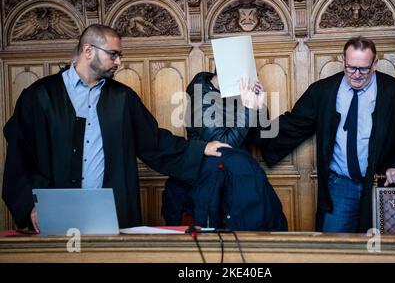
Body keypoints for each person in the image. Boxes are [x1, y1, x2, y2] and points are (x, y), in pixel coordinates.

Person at [2, 24, 229, 232]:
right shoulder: (40, 96)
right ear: (88, 50)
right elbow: (19, 157)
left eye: (119, 55)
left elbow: (153, 142)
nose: (119, 62)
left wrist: (200, 149)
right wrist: (29, 208)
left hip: (110, 214)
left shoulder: (123, 98)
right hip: (58, 212)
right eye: (113, 54)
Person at [255, 36, 395, 233]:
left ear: (375, 64)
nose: (356, 75)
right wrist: (256, 111)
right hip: (341, 187)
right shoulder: (323, 91)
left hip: (382, 186)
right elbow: (292, 125)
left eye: (363, 69)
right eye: (351, 67)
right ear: (343, 61)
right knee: (334, 250)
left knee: (385, 251)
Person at [162, 71, 288, 231]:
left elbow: (263, 137)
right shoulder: (200, 98)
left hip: (235, 181)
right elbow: (225, 145)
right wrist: (248, 108)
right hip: (207, 184)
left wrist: (259, 106)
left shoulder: (236, 95)